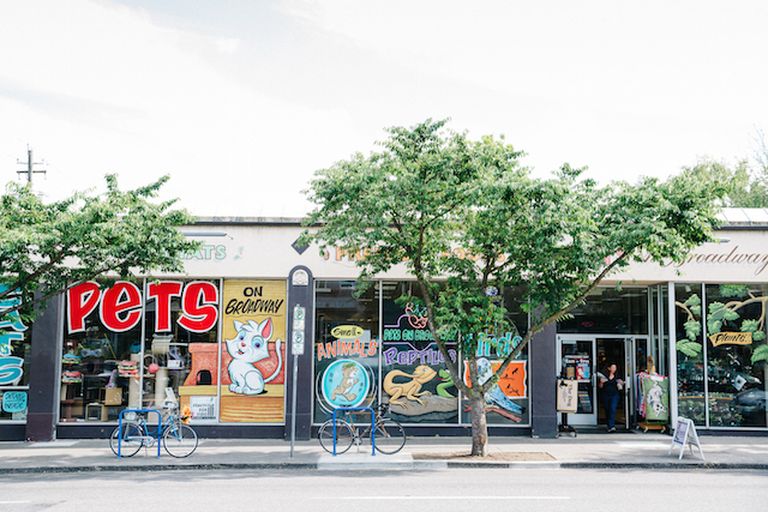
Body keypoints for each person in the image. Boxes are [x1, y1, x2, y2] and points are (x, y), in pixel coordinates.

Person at [599, 363, 623, 432]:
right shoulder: (604, 376)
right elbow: (600, 387)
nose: (614, 369)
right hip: (606, 395)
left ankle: (611, 426)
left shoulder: (617, 376)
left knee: (612, 409)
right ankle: (609, 424)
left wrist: (621, 383)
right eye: (612, 367)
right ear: (609, 368)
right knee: (607, 409)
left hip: (614, 395)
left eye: (615, 368)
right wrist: (601, 382)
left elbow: (621, 384)